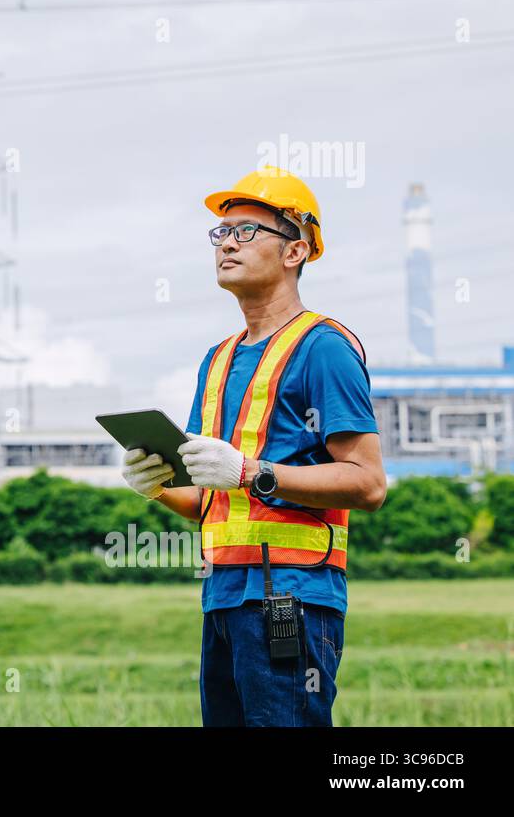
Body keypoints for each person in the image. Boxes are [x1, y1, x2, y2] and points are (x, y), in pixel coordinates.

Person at [121, 166, 387, 726]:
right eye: (221, 232)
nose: (227, 244)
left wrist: (249, 471)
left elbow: (367, 483)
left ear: (296, 251)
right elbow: (208, 500)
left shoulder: (324, 348)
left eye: (247, 230)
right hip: (222, 596)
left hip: (290, 594)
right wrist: (159, 487)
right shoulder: (217, 360)